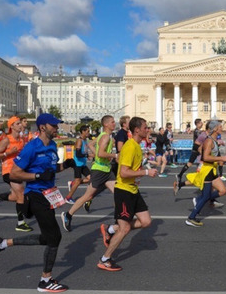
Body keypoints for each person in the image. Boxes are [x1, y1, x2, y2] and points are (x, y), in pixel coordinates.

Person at [0, 113, 76, 293]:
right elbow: (14, 173)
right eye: (54, 125)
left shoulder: (52, 145)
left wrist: (66, 165)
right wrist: (36, 176)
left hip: (49, 194)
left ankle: (3, 243)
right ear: (43, 127)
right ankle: (45, 280)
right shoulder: (31, 147)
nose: (57, 128)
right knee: (55, 237)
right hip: (35, 195)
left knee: (47, 237)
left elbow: (51, 170)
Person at [98, 117, 158, 271]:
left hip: (132, 189)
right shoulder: (131, 146)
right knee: (124, 228)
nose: (148, 130)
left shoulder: (136, 146)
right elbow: (124, 173)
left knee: (146, 222)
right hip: (124, 191)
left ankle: (111, 229)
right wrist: (145, 172)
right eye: (145, 127)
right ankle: (105, 259)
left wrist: (137, 173)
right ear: (137, 130)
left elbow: (124, 166)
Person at [61, 115, 118, 231]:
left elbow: (91, 146)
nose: (114, 123)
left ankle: (118, 219)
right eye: (112, 122)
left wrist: (98, 155)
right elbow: (101, 153)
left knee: (119, 193)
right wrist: (114, 155)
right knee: (88, 196)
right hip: (99, 171)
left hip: (107, 170)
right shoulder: (106, 137)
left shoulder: (104, 136)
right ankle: (68, 215)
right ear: (106, 124)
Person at [185, 120, 226, 227]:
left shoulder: (212, 140)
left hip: (212, 170)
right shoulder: (209, 141)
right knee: (206, 196)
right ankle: (191, 217)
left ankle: (199, 199)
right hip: (207, 171)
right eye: (220, 127)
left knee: (222, 191)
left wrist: (217, 159)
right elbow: (205, 157)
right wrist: (220, 158)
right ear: (215, 129)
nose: (221, 128)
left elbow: (200, 148)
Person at [0, 116, 31, 231]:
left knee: (15, 196)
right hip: (8, 171)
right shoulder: (6, 140)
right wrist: (8, 153)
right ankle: (20, 223)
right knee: (21, 193)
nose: (21, 125)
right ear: (11, 126)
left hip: (18, 170)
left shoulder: (21, 140)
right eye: (18, 123)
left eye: (20, 123)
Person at [65, 125, 91, 204]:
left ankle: (73, 183)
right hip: (77, 164)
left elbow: (84, 152)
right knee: (78, 180)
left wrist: (88, 155)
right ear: (83, 131)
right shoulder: (79, 140)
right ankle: (68, 198)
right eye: (87, 131)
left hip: (83, 164)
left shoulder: (85, 140)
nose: (88, 133)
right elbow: (78, 154)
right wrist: (87, 155)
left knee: (91, 179)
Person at [174, 118, 203, 191]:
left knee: (190, 163)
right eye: (201, 123)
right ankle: (197, 176)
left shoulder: (198, 131)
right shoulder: (197, 131)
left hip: (196, 149)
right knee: (200, 163)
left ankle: (180, 175)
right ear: (197, 124)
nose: (202, 124)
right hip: (197, 149)